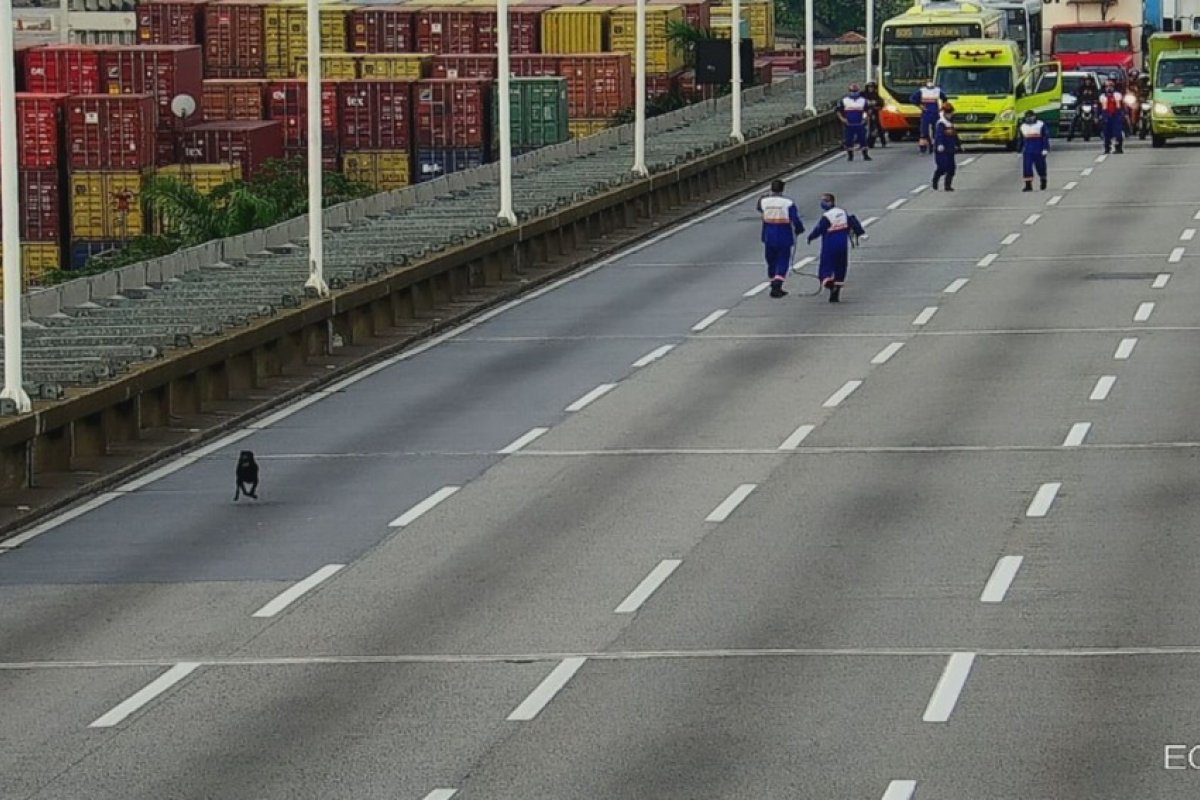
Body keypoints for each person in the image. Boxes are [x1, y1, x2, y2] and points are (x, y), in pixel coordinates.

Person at [807, 193, 866, 303]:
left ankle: (830, 284)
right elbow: (852, 222)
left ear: (831, 202)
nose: (823, 203)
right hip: (842, 245)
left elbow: (819, 229)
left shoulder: (827, 216)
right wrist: (860, 233)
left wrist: (811, 237)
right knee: (841, 267)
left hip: (830, 245)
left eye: (825, 200)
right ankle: (836, 292)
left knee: (825, 268)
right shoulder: (842, 212)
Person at [755, 179, 805, 298]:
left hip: (768, 235)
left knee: (771, 260)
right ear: (782, 189)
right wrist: (799, 229)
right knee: (783, 260)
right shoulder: (788, 203)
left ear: (771, 188)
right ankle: (777, 284)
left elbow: (759, 208)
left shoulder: (764, 201)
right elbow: (795, 219)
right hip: (783, 234)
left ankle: (773, 281)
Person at [909, 79, 946, 154]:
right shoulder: (922, 91)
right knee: (924, 131)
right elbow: (912, 99)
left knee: (936, 131)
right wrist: (919, 105)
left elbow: (944, 99)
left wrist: (942, 107)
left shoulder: (937, 90)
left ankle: (935, 146)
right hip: (926, 113)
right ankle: (923, 148)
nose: (930, 84)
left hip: (935, 113)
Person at [838, 83, 872, 161]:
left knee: (863, 139)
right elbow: (838, 111)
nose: (854, 92)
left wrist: (866, 118)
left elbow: (868, 110)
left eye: (855, 91)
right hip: (849, 124)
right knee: (848, 140)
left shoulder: (863, 100)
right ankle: (850, 156)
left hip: (860, 123)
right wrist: (842, 119)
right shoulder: (844, 100)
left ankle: (865, 155)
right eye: (852, 91)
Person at [1018, 109, 1049, 192]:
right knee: (1027, 167)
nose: (1029, 119)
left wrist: (1045, 148)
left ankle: (1043, 179)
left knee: (1041, 167)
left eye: (1031, 117)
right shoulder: (1022, 127)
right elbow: (1021, 139)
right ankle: (1028, 185)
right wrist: (1019, 150)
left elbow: (1045, 137)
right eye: (1028, 117)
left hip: (1038, 148)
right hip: (1028, 150)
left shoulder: (1040, 124)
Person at [932, 102, 960, 191]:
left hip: (950, 149)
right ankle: (935, 179)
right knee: (943, 167)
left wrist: (958, 144)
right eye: (949, 114)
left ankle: (947, 186)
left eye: (951, 114)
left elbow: (954, 135)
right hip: (942, 150)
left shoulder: (950, 123)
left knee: (951, 168)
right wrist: (940, 144)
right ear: (944, 113)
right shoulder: (941, 123)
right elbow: (938, 135)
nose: (950, 115)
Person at [1098, 79, 1126, 154]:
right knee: (1106, 133)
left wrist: (1123, 114)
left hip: (1116, 115)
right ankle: (1107, 148)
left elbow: (1122, 106)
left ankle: (1119, 148)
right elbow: (1099, 107)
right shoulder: (1102, 97)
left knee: (1118, 132)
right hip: (1106, 115)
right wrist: (1098, 116)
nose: (1109, 88)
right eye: (1107, 86)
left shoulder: (1118, 95)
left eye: (1111, 86)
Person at [863, 81, 887, 148]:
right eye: (869, 87)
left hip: (874, 113)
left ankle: (882, 141)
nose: (871, 89)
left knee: (877, 127)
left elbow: (881, 103)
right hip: (864, 113)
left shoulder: (876, 95)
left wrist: (875, 106)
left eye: (872, 87)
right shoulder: (863, 95)